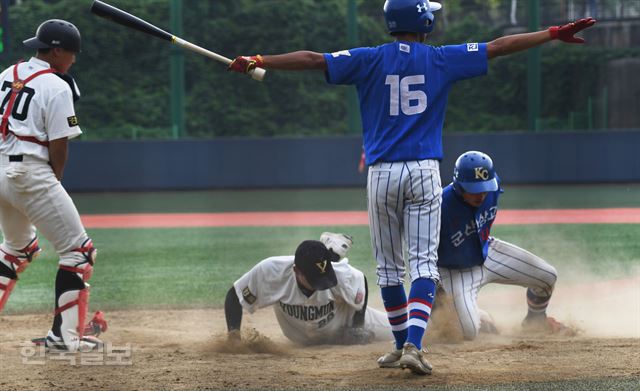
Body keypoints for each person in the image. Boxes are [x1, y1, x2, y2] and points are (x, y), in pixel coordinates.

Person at [227, 0, 595, 375]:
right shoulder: (440, 58)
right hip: (423, 170)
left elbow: (311, 59)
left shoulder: (367, 58)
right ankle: (413, 348)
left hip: (381, 172)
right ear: (423, 20)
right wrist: (551, 33)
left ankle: (401, 344)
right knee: (422, 265)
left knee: (389, 269)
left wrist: (260, 59)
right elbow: (498, 47)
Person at [0, 19, 106, 352]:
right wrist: (53, 180)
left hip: (1, 169)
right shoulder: (57, 85)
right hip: (29, 174)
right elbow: (59, 145)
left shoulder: (6, 75)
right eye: (72, 53)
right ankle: (65, 339)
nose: (73, 59)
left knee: (18, 248)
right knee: (79, 252)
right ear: (57, 51)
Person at [437, 151, 565, 340]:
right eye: (474, 189)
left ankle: (535, 321)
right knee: (468, 332)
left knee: (547, 276)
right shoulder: (439, 206)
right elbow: (422, 250)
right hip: (455, 273)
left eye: (484, 187)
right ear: (459, 186)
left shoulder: (493, 186)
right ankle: (463, 313)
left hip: (487, 253)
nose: (481, 194)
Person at [224, 233, 393, 346]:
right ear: (296, 271)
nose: (320, 283)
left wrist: (357, 325)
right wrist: (234, 337)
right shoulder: (272, 271)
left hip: (343, 321)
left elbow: (360, 282)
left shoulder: (343, 274)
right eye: (314, 280)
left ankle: (332, 252)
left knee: (403, 330)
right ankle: (331, 249)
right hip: (301, 340)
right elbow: (235, 295)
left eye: (324, 277)